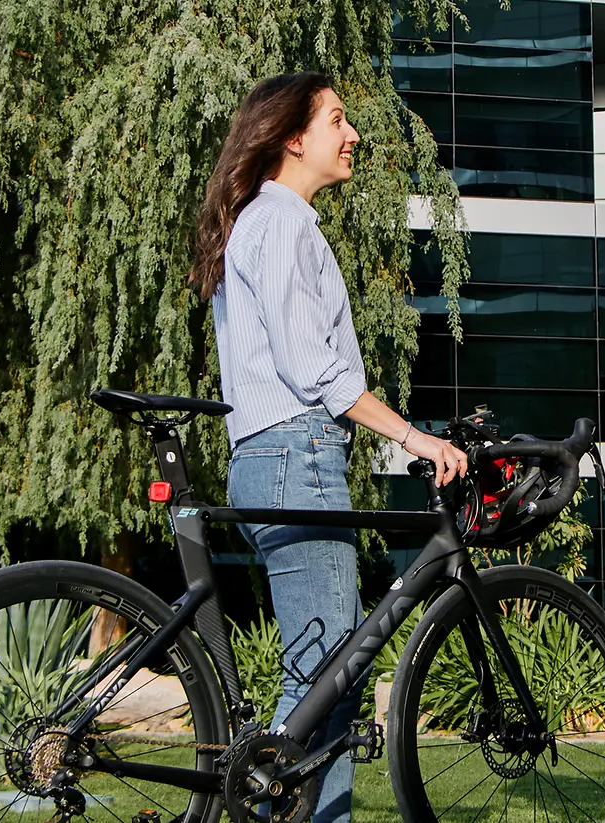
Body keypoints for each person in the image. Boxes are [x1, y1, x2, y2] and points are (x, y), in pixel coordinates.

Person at [189, 72, 470, 823]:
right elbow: (312, 368)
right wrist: (414, 436)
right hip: (295, 454)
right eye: (338, 120)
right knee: (321, 678)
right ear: (292, 137)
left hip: (274, 455)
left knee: (331, 678)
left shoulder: (261, 220)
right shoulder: (281, 222)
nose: (353, 135)